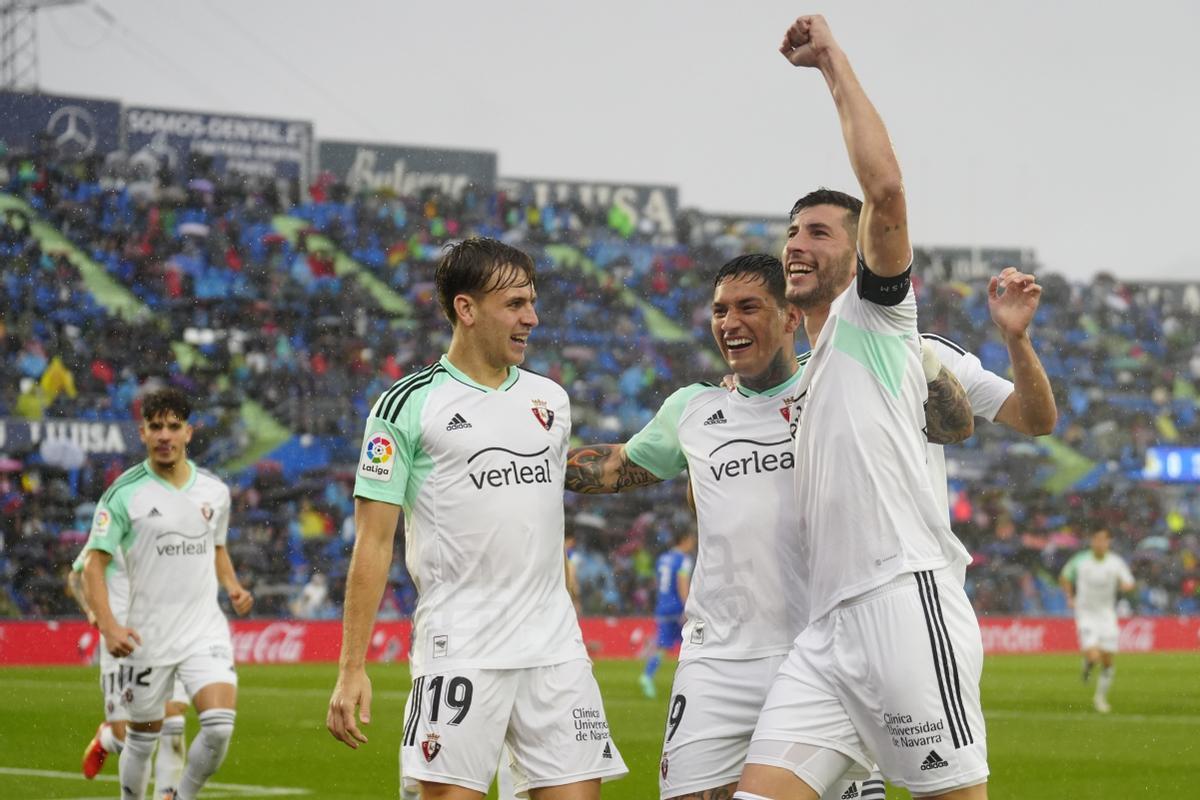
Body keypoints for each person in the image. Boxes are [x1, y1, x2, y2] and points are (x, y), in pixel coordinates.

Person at [566, 252, 971, 800]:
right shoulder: (692, 410)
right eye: (719, 310)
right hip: (716, 660)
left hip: (825, 653)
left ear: (788, 317)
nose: (729, 322)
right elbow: (612, 469)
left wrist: (917, 358)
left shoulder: (836, 385)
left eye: (748, 307)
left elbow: (952, 425)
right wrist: (517, 458)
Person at [736, 16, 991, 800]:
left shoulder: (873, 319)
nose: (796, 245)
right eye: (791, 233)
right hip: (828, 626)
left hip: (902, 600)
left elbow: (885, 191)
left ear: (857, 252)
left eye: (817, 231)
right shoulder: (810, 368)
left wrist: (831, 65)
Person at [326, 237, 627, 800]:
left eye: (532, 303)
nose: (531, 318)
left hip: (554, 649)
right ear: (466, 309)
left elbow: (539, 517)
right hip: (462, 649)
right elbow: (372, 545)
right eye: (515, 304)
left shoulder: (551, 401)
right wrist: (351, 667)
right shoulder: (406, 407)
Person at [80, 387, 253, 800]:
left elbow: (217, 547)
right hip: (148, 636)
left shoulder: (214, 492)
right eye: (155, 426)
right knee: (140, 739)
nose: (164, 435)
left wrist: (231, 585)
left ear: (189, 433)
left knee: (219, 726)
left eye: (174, 427)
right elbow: (91, 565)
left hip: (202, 629)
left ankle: (182, 796)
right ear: (142, 433)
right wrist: (108, 626)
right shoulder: (123, 494)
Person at [68, 554, 189, 800]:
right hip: (119, 642)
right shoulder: (115, 523)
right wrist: (93, 612)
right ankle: (108, 738)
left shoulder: (167, 527)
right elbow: (76, 576)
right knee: (130, 740)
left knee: (174, 712)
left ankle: (166, 794)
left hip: (162, 638)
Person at [1058, 529, 1135, 713]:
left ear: (1108, 542)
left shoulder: (1115, 562)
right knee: (1094, 655)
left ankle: (1100, 698)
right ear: (1092, 541)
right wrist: (1069, 596)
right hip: (1086, 614)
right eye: (1097, 539)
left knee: (1107, 660)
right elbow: (1065, 577)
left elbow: (1129, 581)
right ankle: (1088, 663)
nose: (1100, 543)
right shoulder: (1080, 560)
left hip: (1107, 614)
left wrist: (1127, 586)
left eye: (1104, 540)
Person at [641, 528, 696, 699]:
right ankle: (691, 683)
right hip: (677, 608)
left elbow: (659, 583)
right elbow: (682, 583)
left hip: (663, 606)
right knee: (693, 643)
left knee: (663, 645)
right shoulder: (684, 560)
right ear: (685, 539)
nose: (693, 543)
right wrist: (688, 606)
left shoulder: (663, 558)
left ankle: (647, 675)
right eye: (691, 540)